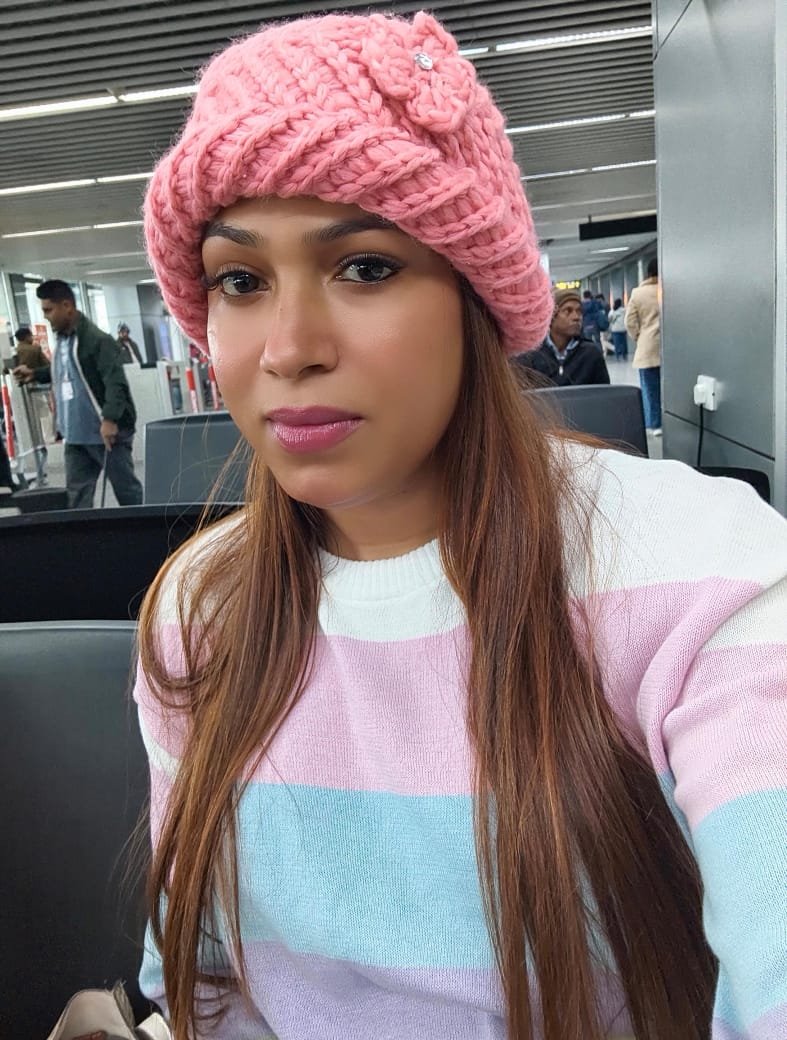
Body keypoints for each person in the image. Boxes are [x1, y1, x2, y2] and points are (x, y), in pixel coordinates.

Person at [134, 12, 786, 1040]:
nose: (289, 348)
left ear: (475, 295)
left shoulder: (698, 572)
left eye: (365, 267)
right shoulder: (200, 605)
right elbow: (200, 978)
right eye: (241, 280)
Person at [14, 280, 143, 508]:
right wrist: (34, 374)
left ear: (67, 306)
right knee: (77, 498)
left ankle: (144, 529)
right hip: (75, 436)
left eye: (49, 310)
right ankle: (83, 534)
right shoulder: (63, 340)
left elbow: (115, 383)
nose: (45, 316)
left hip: (106, 433)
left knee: (126, 491)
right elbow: (65, 372)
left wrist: (110, 419)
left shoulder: (97, 340)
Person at [512, 287, 610, 386]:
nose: (576, 317)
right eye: (568, 311)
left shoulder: (591, 354)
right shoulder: (530, 355)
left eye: (579, 311)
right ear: (552, 315)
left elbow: (603, 393)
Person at [626, 258, 662, 434]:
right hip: (670, 348)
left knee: (650, 389)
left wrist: (639, 337)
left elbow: (630, 322)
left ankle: (655, 424)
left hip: (648, 348)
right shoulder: (669, 290)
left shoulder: (638, 293)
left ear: (648, 273)